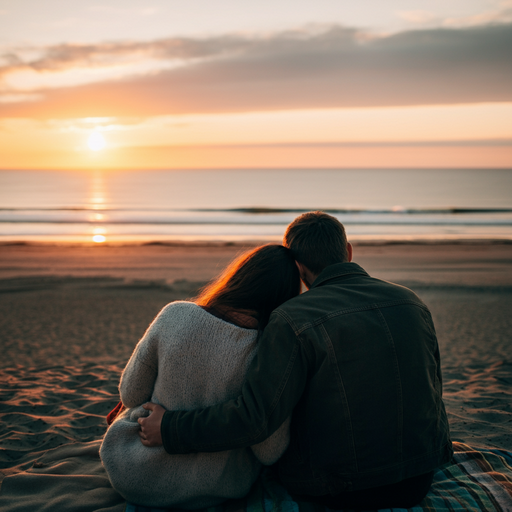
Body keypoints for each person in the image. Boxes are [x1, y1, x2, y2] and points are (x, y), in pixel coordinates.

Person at [139, 211, 453, 511]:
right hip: (417, 478)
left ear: (296, 266)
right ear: (348, 251)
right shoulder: (411, 301)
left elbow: (255, 420)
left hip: (340, 488)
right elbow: (433, 388)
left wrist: (169, 428)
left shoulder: (293, 319)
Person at [100, 244, 301, 509]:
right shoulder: (265, 355)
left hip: (135, 474)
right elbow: (269, 452)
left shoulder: (175, 314)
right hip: (215, 488)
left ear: (239, 277)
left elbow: (130, 393)